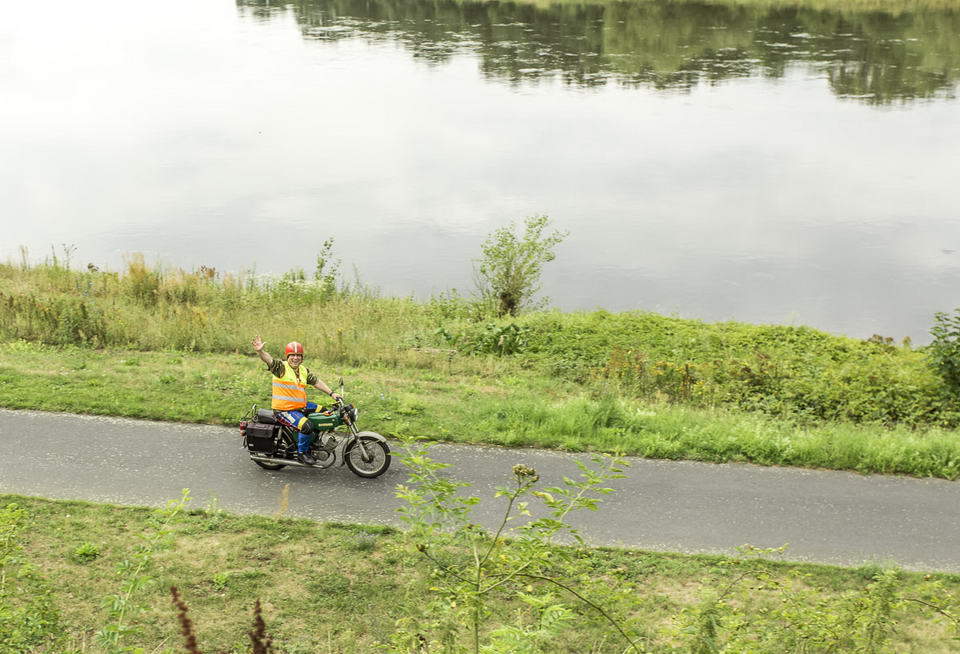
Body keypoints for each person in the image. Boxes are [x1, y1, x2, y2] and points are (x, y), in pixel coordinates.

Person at [252, 335, 342, 465]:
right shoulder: (281, 368)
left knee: (323, 412)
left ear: (302, 357)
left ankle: (313, 441)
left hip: (300, 406)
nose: (295, 358)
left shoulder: (303, 370)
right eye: (292, 355)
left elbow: (316, 382)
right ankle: (302, 453)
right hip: (284, 410)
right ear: (287, 356)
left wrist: (332, 393)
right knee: (307, 426)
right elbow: (269, 360)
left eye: (298, 355)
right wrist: (260, 351)